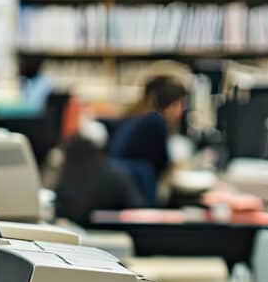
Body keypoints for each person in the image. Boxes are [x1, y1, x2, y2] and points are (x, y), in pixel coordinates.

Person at [108, 75, 188, 206]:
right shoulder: (155, 121)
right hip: (138, 195)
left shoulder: (138, 119)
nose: (181, 111)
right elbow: (162, 163)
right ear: (171, 104)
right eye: (179, 104)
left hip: (126, 193)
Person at [55, 123, 143, 227]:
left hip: (87, 231)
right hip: (103, 232)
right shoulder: (116, 173)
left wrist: (96, 217)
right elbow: (136, 213)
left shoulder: (67, 167)